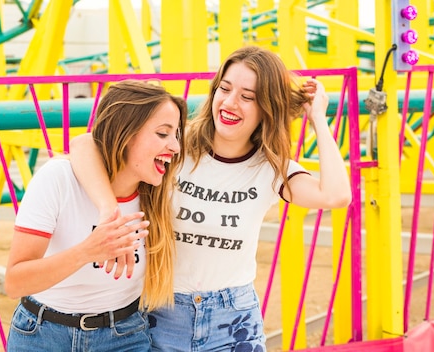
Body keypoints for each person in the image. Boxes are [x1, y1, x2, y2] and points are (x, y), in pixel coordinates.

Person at [69, 46, 352, 351]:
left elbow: (336, 195)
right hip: (161, 311)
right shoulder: (178, 144)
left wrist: (318, 120)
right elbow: (85, 144)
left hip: (233, 319)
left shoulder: (270, 169)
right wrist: (108, 210)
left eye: (247, 97)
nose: (230, 103)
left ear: (267, 107)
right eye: (224, 89)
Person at [5, 79, 188, 351]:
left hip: (125, 336)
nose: (175, 147)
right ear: (124, 133)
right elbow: (15, 282)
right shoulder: (59, 178)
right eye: (163, 134)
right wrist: (88, 251)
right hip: (43, 336)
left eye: (176, 135)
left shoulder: (159, 194)